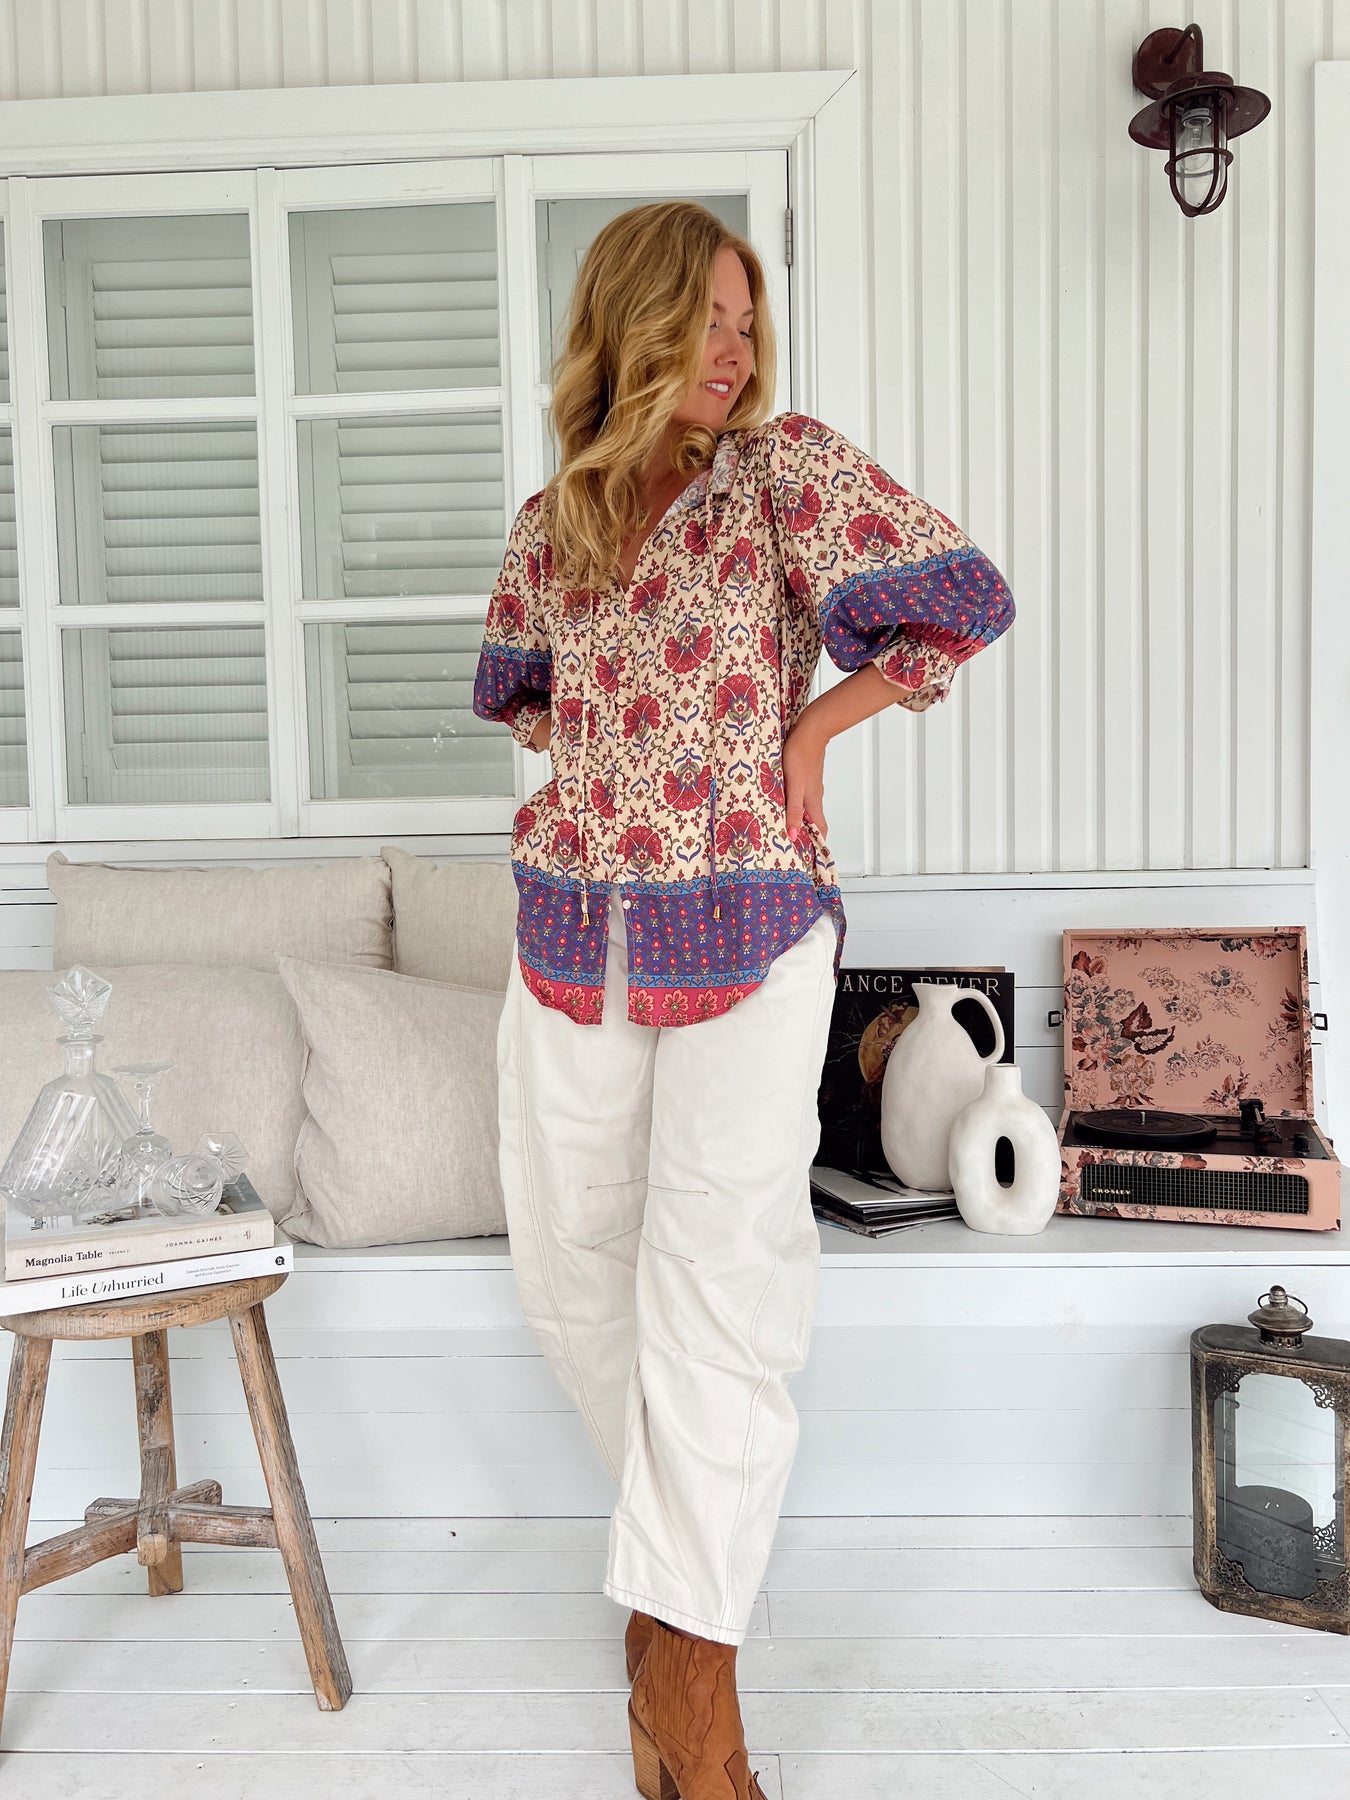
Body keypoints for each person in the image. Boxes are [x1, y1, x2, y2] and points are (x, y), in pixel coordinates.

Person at [473, 200, 1014, 1799]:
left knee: (723, 1276)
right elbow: (538, 712)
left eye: (743, 317)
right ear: (628, 325)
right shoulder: (552, 523)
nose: (732, 346)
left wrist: (810, 733)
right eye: (703, 317)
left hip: (754, 921)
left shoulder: (780, 475)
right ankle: (670, 1613)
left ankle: (690, 1692)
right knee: (571, 1260)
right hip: (574, 927)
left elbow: (958, 603)